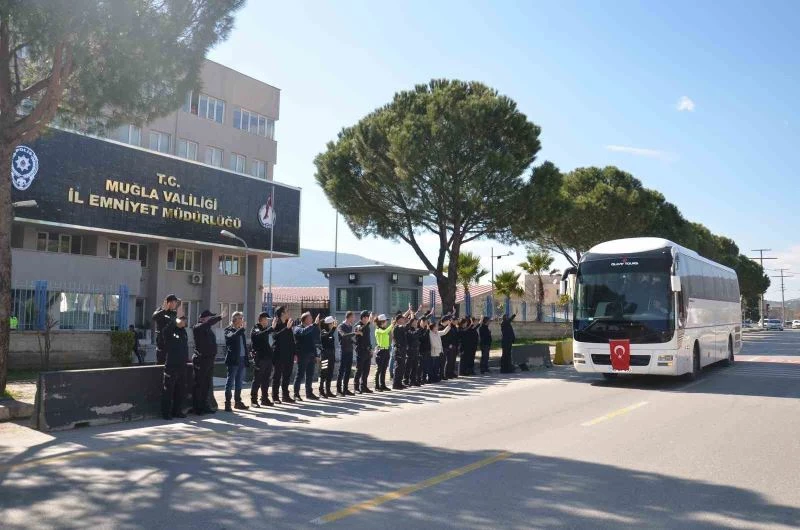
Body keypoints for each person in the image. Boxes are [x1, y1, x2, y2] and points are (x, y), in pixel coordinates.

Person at [191, 310, 223, 415]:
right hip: (201, 359)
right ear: (202, 319)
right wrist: (219, 317)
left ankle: (205, 405)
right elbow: (208, 323)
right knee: (199, 384)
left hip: (209, 360)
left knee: (207, 384)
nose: (211, 320)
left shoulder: (209, 330)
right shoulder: (197, 327)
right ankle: (197, 408)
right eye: (209, 317)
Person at [161, 314, 189, 420]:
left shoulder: (184, 332)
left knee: (180, 390)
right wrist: (174, 321)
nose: (184, 321)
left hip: (182, 365)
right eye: (182, 319)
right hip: (171, 365)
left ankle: (177, 411)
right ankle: (166, 413)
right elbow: (165, 332)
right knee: (168, 390)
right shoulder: (171, 331)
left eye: (185, 320)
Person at [224, 312, 250, 411]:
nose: (242, 320)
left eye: (242, 318)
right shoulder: (228, 330)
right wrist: (241, 329)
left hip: (242, 359)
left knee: (239, 381)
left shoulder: (241, 331)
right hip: (233, 360)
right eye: (240, 318)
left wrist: (247, 358)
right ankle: (227, 403)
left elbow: (243, 345)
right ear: (234, 319)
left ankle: (238, 402)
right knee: (230, 381)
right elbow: (231, 338)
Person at [294, 312, 321, 401]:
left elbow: (313, 343)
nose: (312, 320)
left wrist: (316, 355)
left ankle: (309, 393)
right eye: (310, 318)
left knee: (310, 375)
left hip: (311, 355)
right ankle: (296, 394)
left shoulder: (311, 329)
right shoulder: (298, 328)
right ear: (305, 319)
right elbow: (303, 332)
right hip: (302, 355)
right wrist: (314, 325)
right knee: (300, 375)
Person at [250, 312, 276, 408]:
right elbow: (258, 335)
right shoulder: (256, 328)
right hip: (260, 358)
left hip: (267, 358)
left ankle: (264, 398)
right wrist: (270, 329)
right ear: (260, 319)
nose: (267, 321)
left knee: (266, 380)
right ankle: (253, 400)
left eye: (268, 320)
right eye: (265, 319)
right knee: (257, 380)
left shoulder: (266, 329)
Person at [272, 306, 296, 404]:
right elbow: (275, 336)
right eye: (286, 311)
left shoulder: (288, 324)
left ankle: (285, 395)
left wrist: (294, 353)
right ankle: (275, 396)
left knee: (287, 375)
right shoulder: (276, 324)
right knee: (277, 376)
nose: (288, 313)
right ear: (281, 313)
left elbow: (291, 340)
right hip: (278, 354)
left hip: (288, 355)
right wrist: (286, 329)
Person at [152, 294, 180, 365]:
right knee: (161, 364)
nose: (176, 304)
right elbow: (154, 317)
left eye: (176, 302)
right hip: (162, 343)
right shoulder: (161, 310)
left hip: (172, 343)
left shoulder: (173, 313)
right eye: (174, 302)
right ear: (169, 303)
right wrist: (164, 310)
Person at [336, 311, 357, 396]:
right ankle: (338, 390)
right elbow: (344, 335)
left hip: (350, 350)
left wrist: (355, 343)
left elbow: (349, 338)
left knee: (348, 370)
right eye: (353, 317)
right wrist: (354, 333)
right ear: (348, 317)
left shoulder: (350, 326)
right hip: (343, 350)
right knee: (342, 370)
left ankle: (345, 389)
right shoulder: (341, 326)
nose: (354, 319)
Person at [353, 310, 374, 394]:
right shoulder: (358, 325)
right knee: (359, 370)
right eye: (367, 317)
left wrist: (371, 349)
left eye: (368, 317)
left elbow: (367, 339)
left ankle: (364, 386)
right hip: (361, 351)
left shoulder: (367, 326)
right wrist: (368, 323)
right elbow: (360, 330)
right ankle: (356, 387)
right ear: (363, 317)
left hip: (367, 350)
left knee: (366, 370)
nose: (368, 319)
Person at [319, 316, 338, 398]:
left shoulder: (331, 332)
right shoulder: (323, 331)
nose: (333, 325)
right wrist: (333, 329)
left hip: (331, 355)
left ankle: (328, 390)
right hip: (325, 355)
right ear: (328, 324)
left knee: (330, 373)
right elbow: (326, 336)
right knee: (324, 372)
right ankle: (321, 390)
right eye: (332, 323)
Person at [373, 314, 393, 391]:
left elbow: (386, 331)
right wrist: (392, 325)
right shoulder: (378, 330)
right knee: (379, 369)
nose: (386, 323)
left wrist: (391, 326)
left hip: (386, 350)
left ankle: (383, 385)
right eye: (385, 321)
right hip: (380, 351)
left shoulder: (384, 329)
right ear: (381, 322)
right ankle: (377, 386)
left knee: (384, 369)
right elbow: (384, 332)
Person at [392, 311, 409, 389]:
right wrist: (411, 315)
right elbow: (404, 326)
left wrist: (409, 310)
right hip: (398, 349)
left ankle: (399, 383)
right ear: (399, 320)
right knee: (398, 367)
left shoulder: (401, 326)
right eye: (402, 319)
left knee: (402, 367)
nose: (404, 320)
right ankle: (395, 384)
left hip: (403, 349)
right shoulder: (397, 327)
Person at [428, 317, 443, 383]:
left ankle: (436, 377)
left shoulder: (437, 333)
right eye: (436, 326)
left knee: (437, 366)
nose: (437, 327)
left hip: (438, 352)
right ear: (433, 327)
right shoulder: (430, 334)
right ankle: (431, 378)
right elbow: (433, 343)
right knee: (432, 366)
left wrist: (449, 326)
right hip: (433, 352)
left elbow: (444, 332)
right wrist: (438, 348)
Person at [419, 318, 432, 384]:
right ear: (422, 322)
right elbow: (422, 338)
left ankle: (424, 378)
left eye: (427, 322)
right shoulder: (419, 329)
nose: (426, 323)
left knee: (426, 365)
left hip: (427, 349)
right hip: (422, 350)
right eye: (425, 322)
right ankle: (421, 378)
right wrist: (427, 330)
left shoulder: (425, 329)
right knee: (422, 365)